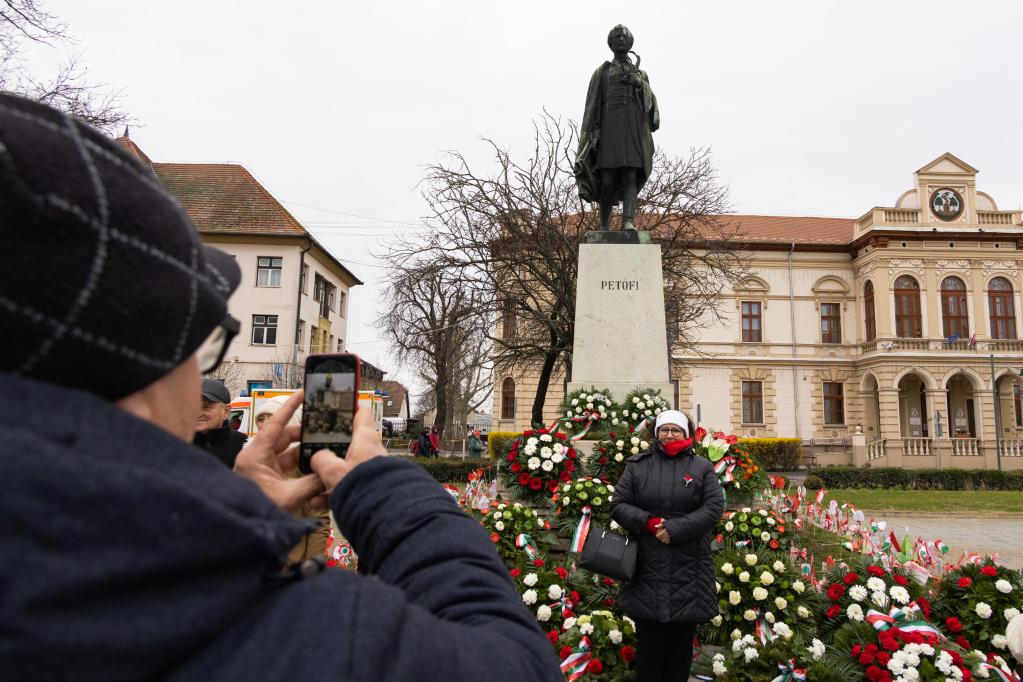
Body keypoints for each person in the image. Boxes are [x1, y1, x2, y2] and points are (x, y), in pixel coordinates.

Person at [0, 93, 562, 681]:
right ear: (139, 371)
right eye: (200, 346)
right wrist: (385, 488)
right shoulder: (289, 635)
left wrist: (224, 519)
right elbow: (514, 665)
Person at [610, 410, 724, 682]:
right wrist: (649, 523)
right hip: (647, 566)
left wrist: (674, 529)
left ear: (687, 434)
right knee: (649, 644)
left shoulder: (701, 467)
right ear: (656, 433)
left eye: (676, 430)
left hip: (689, 566)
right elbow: (618, 504)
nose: (669, 434)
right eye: (664, 429)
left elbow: (713, 508)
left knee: (680, 645)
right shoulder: (638, 466)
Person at [575, 24, 659, 231]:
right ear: (611, 43)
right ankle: (604, 226)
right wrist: (590, 138)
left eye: (624, 36)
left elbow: (652, 109)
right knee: (608, 179)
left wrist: (640, 85)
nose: (620, 38)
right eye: (616, 36)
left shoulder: (641, 74)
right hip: (609, 132)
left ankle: (628, 222)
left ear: (630, 42)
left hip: (632, 131)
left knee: (630, 175)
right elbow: (592, 108)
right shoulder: (601, 73)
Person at [193, 377, 248, 467]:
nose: (198, 413)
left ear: (226, 411)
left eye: (206, 407)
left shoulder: (243, 446)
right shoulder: (179, 443)